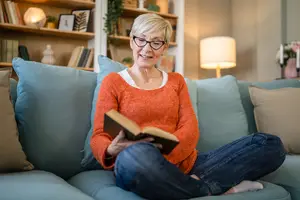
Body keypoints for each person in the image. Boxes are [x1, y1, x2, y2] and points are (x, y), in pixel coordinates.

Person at [90, 13, 286, 200]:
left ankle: (183, 186)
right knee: (138, 153)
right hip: (138, 164)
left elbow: (190, 129)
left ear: (164, 47)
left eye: (156, 42)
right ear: (132, 41)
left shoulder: (176, 81)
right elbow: (99, 133)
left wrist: (167, 162)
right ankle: (206, 188)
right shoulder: (113, 82)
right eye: (141, 39)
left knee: (270, 145)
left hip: (187, 164)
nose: (147, 48)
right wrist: (110, 150)